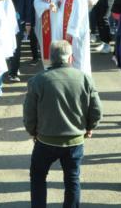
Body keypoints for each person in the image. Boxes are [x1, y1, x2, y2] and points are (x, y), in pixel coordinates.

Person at [24, 40, 102, 208]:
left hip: (45, 141)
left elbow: (29, 114)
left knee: (38, 176)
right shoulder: (85, 79)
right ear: (70, 58)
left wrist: (33, 131)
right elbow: (96, 110)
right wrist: (89, 127)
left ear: (51, 58)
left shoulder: (37, 81)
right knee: (72, 179)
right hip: (75, 141)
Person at [57, 0, 92, 75]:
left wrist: (70, 32)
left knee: (79, 59)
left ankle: (81, 82)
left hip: (76, 34)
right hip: (70, 32)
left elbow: (77, 15)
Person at [33, 0, 64, 66]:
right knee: (48, 44)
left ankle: (62, 65)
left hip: (62, 21)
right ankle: (48, 66)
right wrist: (48, 6)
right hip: (48, 21)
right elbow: (36, 2)